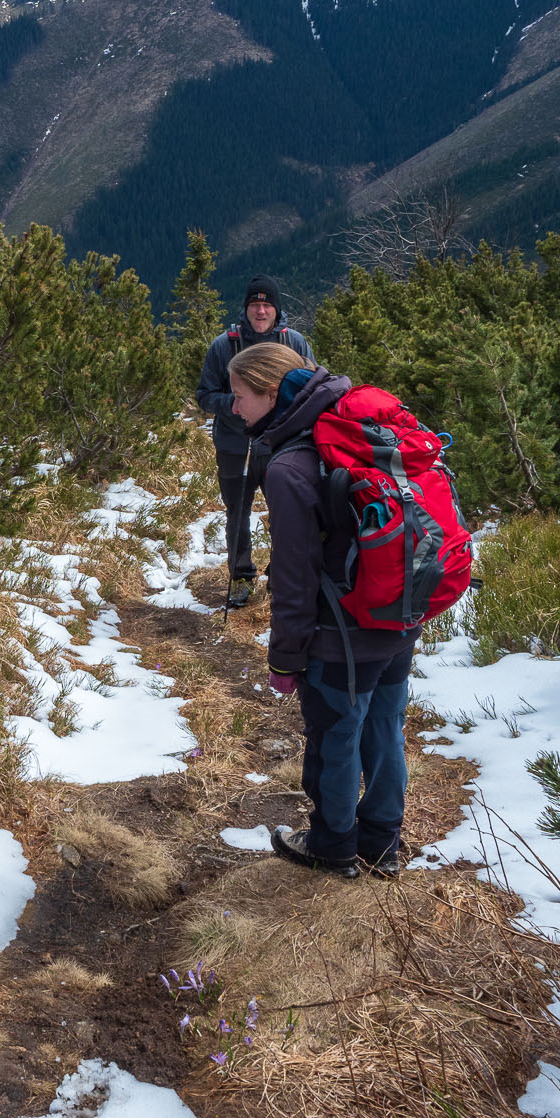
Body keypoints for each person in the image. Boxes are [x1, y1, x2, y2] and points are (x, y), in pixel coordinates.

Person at [225, 342, 421, 879]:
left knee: (336, 736)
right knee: (384, 727)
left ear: (270, 393)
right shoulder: (355, 434)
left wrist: (285, 659)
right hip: (397, 615)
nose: (234, 407)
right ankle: (382, 843)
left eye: (240, 396)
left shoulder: (291, 467)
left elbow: (294, 577)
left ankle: (333, 844)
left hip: (342, 631)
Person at [193, 275, 314, 609]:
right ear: (246, 309)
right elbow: (204, 394)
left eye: (267, 305)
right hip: (235, 443)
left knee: (286, 512)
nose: (260, 311)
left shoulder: (295, 344)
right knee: (237, 512)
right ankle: (241, 576)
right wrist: (231, 406)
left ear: (276, 309)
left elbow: (312, 387)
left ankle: (281, 576)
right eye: (254, 305)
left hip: (281, 446)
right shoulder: (224, 346)